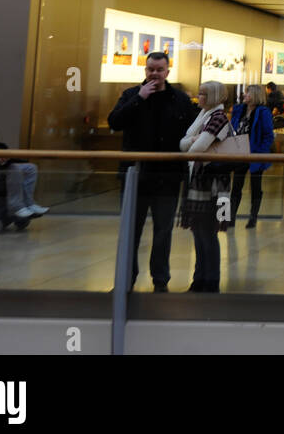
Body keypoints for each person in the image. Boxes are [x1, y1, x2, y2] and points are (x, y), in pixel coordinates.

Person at [107, 51, 199, 292]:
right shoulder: (130, 95)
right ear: (145, 70)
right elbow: (114, 122)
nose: (154, 74)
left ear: (167, 72)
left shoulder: (179, 99)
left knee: (163, 231)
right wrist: (139, 98)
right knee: (130, 232)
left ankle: (160, 281)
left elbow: (193, 131)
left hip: (167, 178)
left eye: (159, 70)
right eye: (150, 70)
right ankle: (126, 281)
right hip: (135, 177)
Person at [178, 81, 232, 293]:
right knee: (198, 232)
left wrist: (192, 140)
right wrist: (193, 140)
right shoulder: (205, 116)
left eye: (202, 94)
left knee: (207, 233)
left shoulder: (217, 118)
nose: (198, 98)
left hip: (213, 185)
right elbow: (184, 144)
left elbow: (196, 148)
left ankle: (210, 280)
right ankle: (200, 278)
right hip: (201, 181)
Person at [229, 84, 273, 229]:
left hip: (255, 153)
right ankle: (231, 217)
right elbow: (233, 127)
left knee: (255, 186)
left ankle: (253, 217)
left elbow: (268, 135)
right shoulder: (239, 110)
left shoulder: (263, 112)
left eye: (247, 93)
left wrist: (261, 152)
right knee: (236, 186)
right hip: (239, 153)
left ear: (254, 95)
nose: (244, 95)